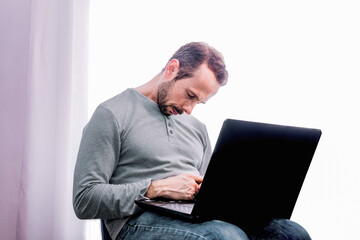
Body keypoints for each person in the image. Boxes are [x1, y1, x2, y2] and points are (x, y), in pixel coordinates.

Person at [73, 42, 312, 240]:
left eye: (199, 102)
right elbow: (84, 199)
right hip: (137, 222)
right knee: (225, 236)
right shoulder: (112, 114)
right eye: (190, 95)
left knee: (291, 233)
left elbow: (210, 193)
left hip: (192, 217)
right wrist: (156, 188)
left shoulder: (196, 128)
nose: (189, 109)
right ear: (172, 69)